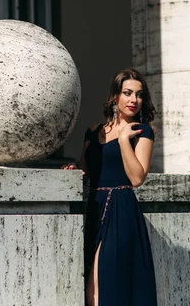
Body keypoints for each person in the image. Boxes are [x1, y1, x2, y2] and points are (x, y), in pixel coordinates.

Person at [63, 67, 158, 306]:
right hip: (95, 208)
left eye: (139, 95)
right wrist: (74, 170)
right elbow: (87, 169)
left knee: (102, 282)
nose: (134, 100)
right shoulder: (94, 131)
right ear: (115, 96)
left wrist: (125, 139)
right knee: (91, 286)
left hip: (121, 209)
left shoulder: (142, 131)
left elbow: (137, 178)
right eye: (127, 93)